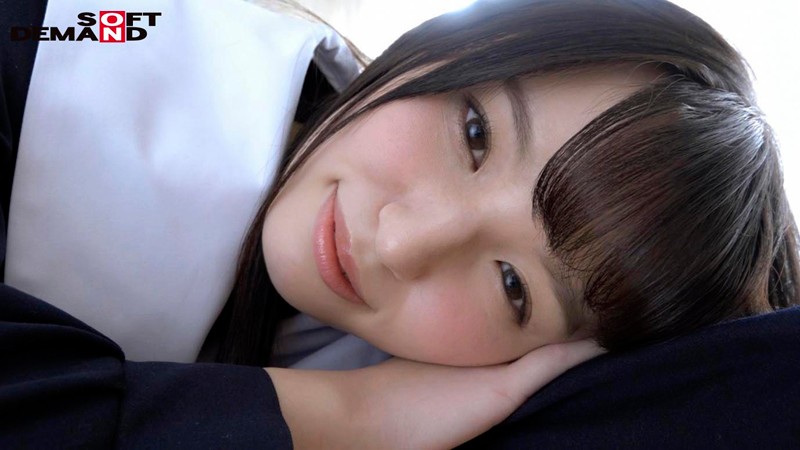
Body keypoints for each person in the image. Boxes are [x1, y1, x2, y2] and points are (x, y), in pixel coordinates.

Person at [1, 0, 799, 449]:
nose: (402, 242)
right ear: (453, 44)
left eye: (513, 287)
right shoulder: (84, 24)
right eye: (476, 134)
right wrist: (354, 416)